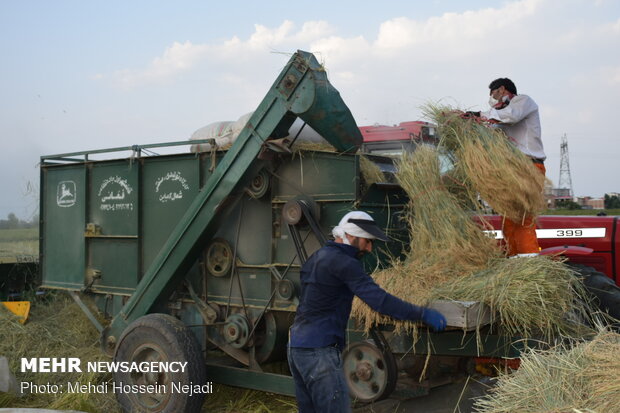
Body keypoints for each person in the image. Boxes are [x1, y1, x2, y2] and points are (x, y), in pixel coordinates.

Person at [287, 211, 447, 413]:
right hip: (319, 352)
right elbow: (380, 302)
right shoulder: (344, 263)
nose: (370, 248)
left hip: (297, 347)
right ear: (351, 236)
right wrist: (422, 314)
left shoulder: (317, 257)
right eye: (367, 241)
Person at [475, 78, 546, 257]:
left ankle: (529, 266)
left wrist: (477, 114)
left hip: (528, 167)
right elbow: (491, 125)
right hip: (511, 169)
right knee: (508, 218)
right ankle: (514, 263)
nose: (493, 100)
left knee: (522, 218)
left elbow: (510, 116)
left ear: (502, 90)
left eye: (493, 95)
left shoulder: (522, 102)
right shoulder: (499, 113)